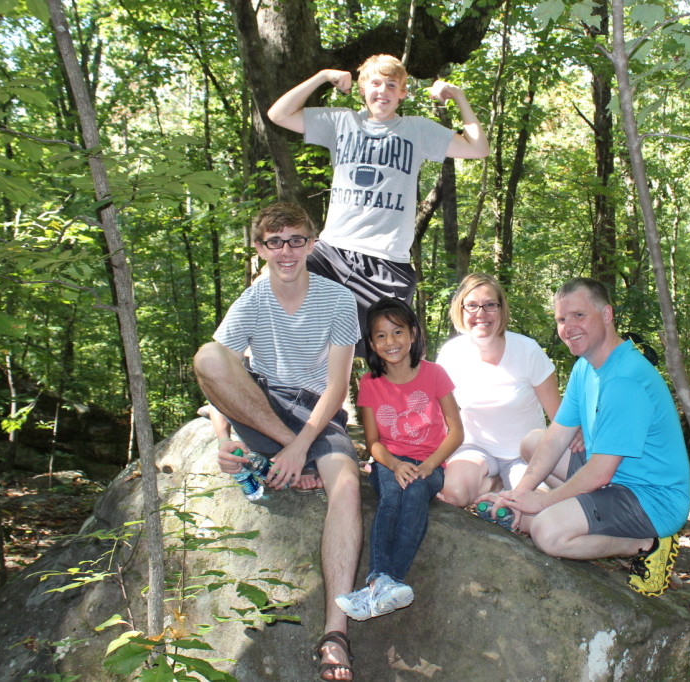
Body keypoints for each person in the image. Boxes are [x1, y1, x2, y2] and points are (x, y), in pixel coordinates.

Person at [192, 202, 362, 681]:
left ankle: (335, 632)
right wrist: (222, 439)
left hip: (317, 413)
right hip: (261, 407)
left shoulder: (337, 299)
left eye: (296, 240)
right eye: (274, 241)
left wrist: (300, 444)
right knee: (207, 352)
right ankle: (289, 460)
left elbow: (336, 387)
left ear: (312, 243)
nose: (286, 251)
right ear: (259, 247)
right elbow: (217, 376)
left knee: (346, 487)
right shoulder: (251, 300)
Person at [267, 54, 489, 353]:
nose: (382, 91)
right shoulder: (341, 121)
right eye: (375, 83)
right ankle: (245, 378)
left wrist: (459, 97)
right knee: (268, 286)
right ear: (362, 89)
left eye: (391, 85)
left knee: (394, 351)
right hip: (332, 251)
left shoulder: (417, 129)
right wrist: (322, 76)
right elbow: (278, 114)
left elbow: (477, 147)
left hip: (386, 260)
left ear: (402, 94)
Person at [487, 277, 690, 597]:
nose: (568, 327)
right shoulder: (587, 368)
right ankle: (554, 510)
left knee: (547, 532)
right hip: (614, 479)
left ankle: (647, 544)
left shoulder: (626, 379)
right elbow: (556, 436)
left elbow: (600, 472)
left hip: (650, 498)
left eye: (578, 315)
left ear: (607, 314)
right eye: (561, 319)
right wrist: (519, 494)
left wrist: (543, 501)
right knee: (533, 441)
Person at [335, 298, 463, 621]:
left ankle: (380, 585)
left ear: (413, 334)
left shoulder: (434, 374)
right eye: (381, 336)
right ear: (371, 344)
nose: (390, 342)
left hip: (428, 463)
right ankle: (382, 581)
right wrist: (393, 465)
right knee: (392, 495)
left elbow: (456, 431)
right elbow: (373, 443)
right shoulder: (369, 384)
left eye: (397, 332)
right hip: (389, 462)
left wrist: (430, 465)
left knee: (417, 492)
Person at [435, 273, 581, 508]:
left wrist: (581, 438)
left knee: (532, 510)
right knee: (453, 495)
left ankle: (506, 485)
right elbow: (438, 416)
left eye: (490, 305)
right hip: (475, 447)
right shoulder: (451, 353)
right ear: (460, 310)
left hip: (523, 454)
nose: (480, 314)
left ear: (501, 310)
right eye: (471, 305)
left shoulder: (527, 350)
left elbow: (559, 414)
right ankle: (493, 485)